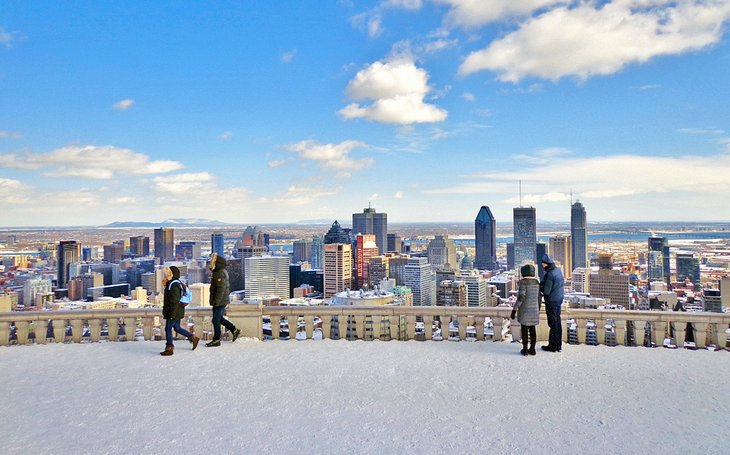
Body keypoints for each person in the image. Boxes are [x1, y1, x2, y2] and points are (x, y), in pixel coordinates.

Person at [160, 265, 199, 356]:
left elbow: (174, 301)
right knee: (177, 328)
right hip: (178, 311)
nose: (167, 275)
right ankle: (193, 338)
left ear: (172, 274)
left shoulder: (173, 285)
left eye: (168, 273)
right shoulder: (176, 283)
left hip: (174, 311)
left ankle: (169, 347)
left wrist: (172, 314)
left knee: (168, 329)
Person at [206, 253, 240, 347]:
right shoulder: (220, 271)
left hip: (220, 301)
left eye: (212, 262)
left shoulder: (219, 273)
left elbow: (221, 288)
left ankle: (216, 339)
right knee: (218, 318)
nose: (210, 263)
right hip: (221, 300)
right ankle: (234, 330)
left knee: (216, 320)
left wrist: (216, 301)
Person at [511, 264, 540, 356]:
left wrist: (514, 310)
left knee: (524, 330)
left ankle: (525, 349)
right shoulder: (536, 282)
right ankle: (533, 349)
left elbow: (521, 298)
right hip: (534, 309)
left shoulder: (523, 283)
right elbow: (539, 297)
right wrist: (537, 308)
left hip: (525, 310)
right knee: (532, 330)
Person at [540, 254, 565, 352]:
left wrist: (539, 287)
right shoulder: (558, 270)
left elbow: (546, 291)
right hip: (558, 299)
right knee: (557, 323)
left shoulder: (550, 274)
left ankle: (553, 346)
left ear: (546, 264)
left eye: (543, 264)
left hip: (552, 301)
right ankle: (558, 345)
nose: (542, 265)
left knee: (553, 324)